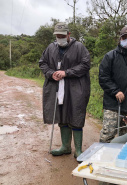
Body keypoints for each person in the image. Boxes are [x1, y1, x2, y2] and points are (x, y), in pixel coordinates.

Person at [39, 22, 90, 159]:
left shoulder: (79, 47)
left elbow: (86, 65)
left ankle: (78, 150)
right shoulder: (51, 47)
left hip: (76, 88)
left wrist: (66, 72)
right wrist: (51, 73)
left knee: (76, 116)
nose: (59, 38)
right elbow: (42, 63)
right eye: (57, 36)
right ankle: (65, 147)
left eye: (62, 35)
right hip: (57, 88)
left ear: (69, 35)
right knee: (62, 116)